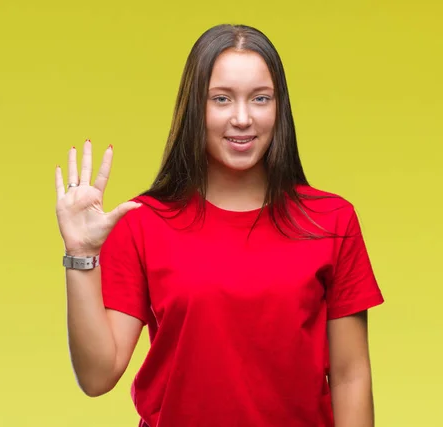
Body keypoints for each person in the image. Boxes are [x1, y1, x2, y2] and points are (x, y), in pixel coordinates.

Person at [54, 23, 384, 427]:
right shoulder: (143, 222)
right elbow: (96, 375)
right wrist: (81, 254)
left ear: (279, 108)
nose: (242, 118)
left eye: (260, 98)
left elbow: (350, 377)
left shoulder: (331, 220)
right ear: (196, 108)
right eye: (221, 99)